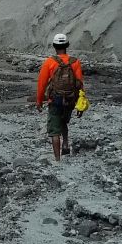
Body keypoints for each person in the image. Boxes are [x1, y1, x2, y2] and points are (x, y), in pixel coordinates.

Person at [36, 33, 84, 161]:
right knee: (63, 121)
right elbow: (80, 85)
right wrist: (81, 105)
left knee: (54, 129)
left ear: (54, 46)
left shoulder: (49, 62)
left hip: (55, 99)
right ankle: (66, 144)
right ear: (67, 45)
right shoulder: (75, 62)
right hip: (70, 100)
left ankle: (57, 160)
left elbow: (42, 84)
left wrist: (39, 101)